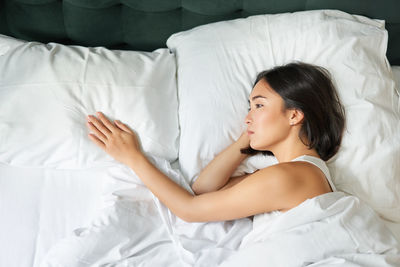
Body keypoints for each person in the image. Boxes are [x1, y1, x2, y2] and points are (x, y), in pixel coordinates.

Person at [85, 62, 345, 223]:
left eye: (259, 105)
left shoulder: (288, 177)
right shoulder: (295, 173)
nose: (247, 117)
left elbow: (189, 210)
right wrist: (249, 139)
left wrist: (134, 157)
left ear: (294, 114)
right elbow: (205, 189)